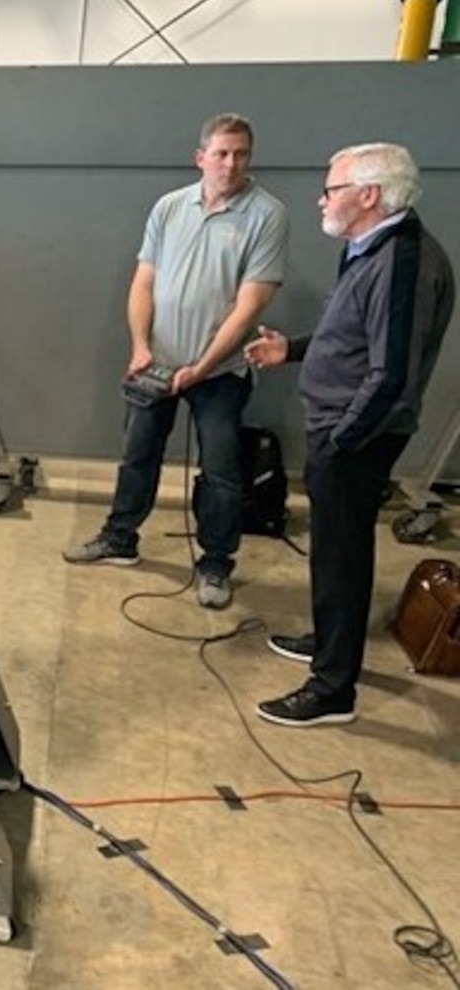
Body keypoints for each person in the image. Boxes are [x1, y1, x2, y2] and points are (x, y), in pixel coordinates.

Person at [244, 142, 454, 727]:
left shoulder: (404, 262)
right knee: (335, 551)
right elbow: (351, 336)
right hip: (341, 429)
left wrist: (340, 444)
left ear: (369, 195)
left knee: (343, 553)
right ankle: (331, 643)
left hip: (356, 436)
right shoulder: (369, 248)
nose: (322, 199)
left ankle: (333, 690)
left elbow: (392, 377)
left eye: (331, 189)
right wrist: (293, 351)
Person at [63, 112, 289, 610]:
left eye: (241, 154)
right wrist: (141, 346)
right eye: (222, 153)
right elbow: (144, 282)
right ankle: (120, 537)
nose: (231, 164)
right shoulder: (169, 208)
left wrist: (205, 365)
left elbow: (251, 304)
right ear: (201, 157)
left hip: (221, 374)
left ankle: (215, 563)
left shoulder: (266, 214)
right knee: (138, 455)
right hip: (157, 365)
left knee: (223, 472)